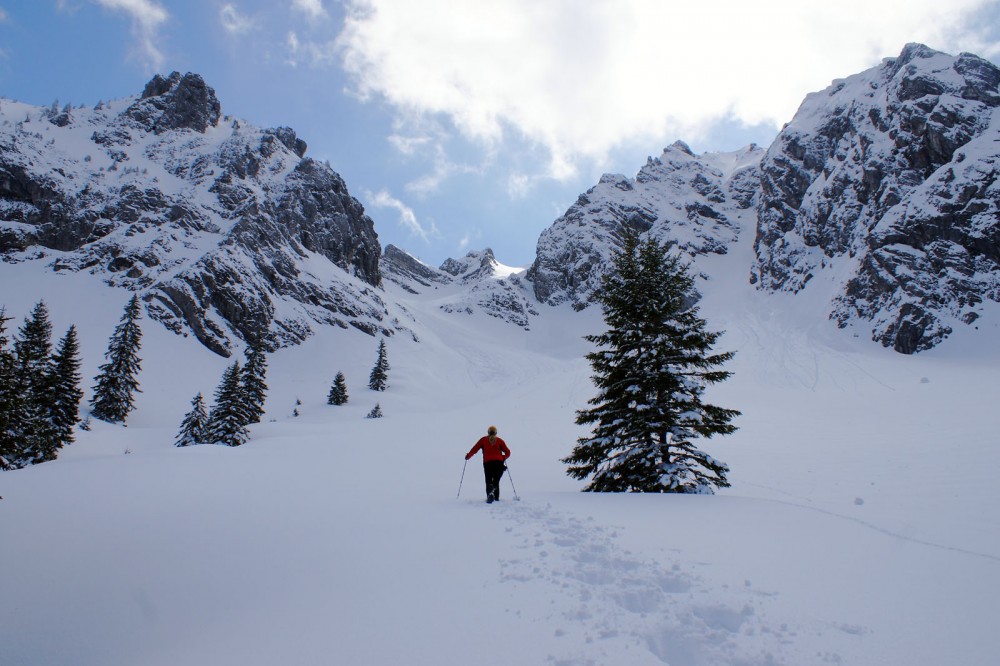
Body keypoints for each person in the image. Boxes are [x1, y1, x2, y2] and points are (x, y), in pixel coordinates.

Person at [465, 425, 510, 503]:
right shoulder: (500, 441)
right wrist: (503, 457)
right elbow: (508, 452)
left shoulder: (483, 440)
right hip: (499, 463)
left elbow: (475, 449)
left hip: (487, 463)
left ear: (488, 432)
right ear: (496, 433)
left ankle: (490, 495)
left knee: (488, 480)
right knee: (496, 480)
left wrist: (468, 456)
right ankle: (496, 498)